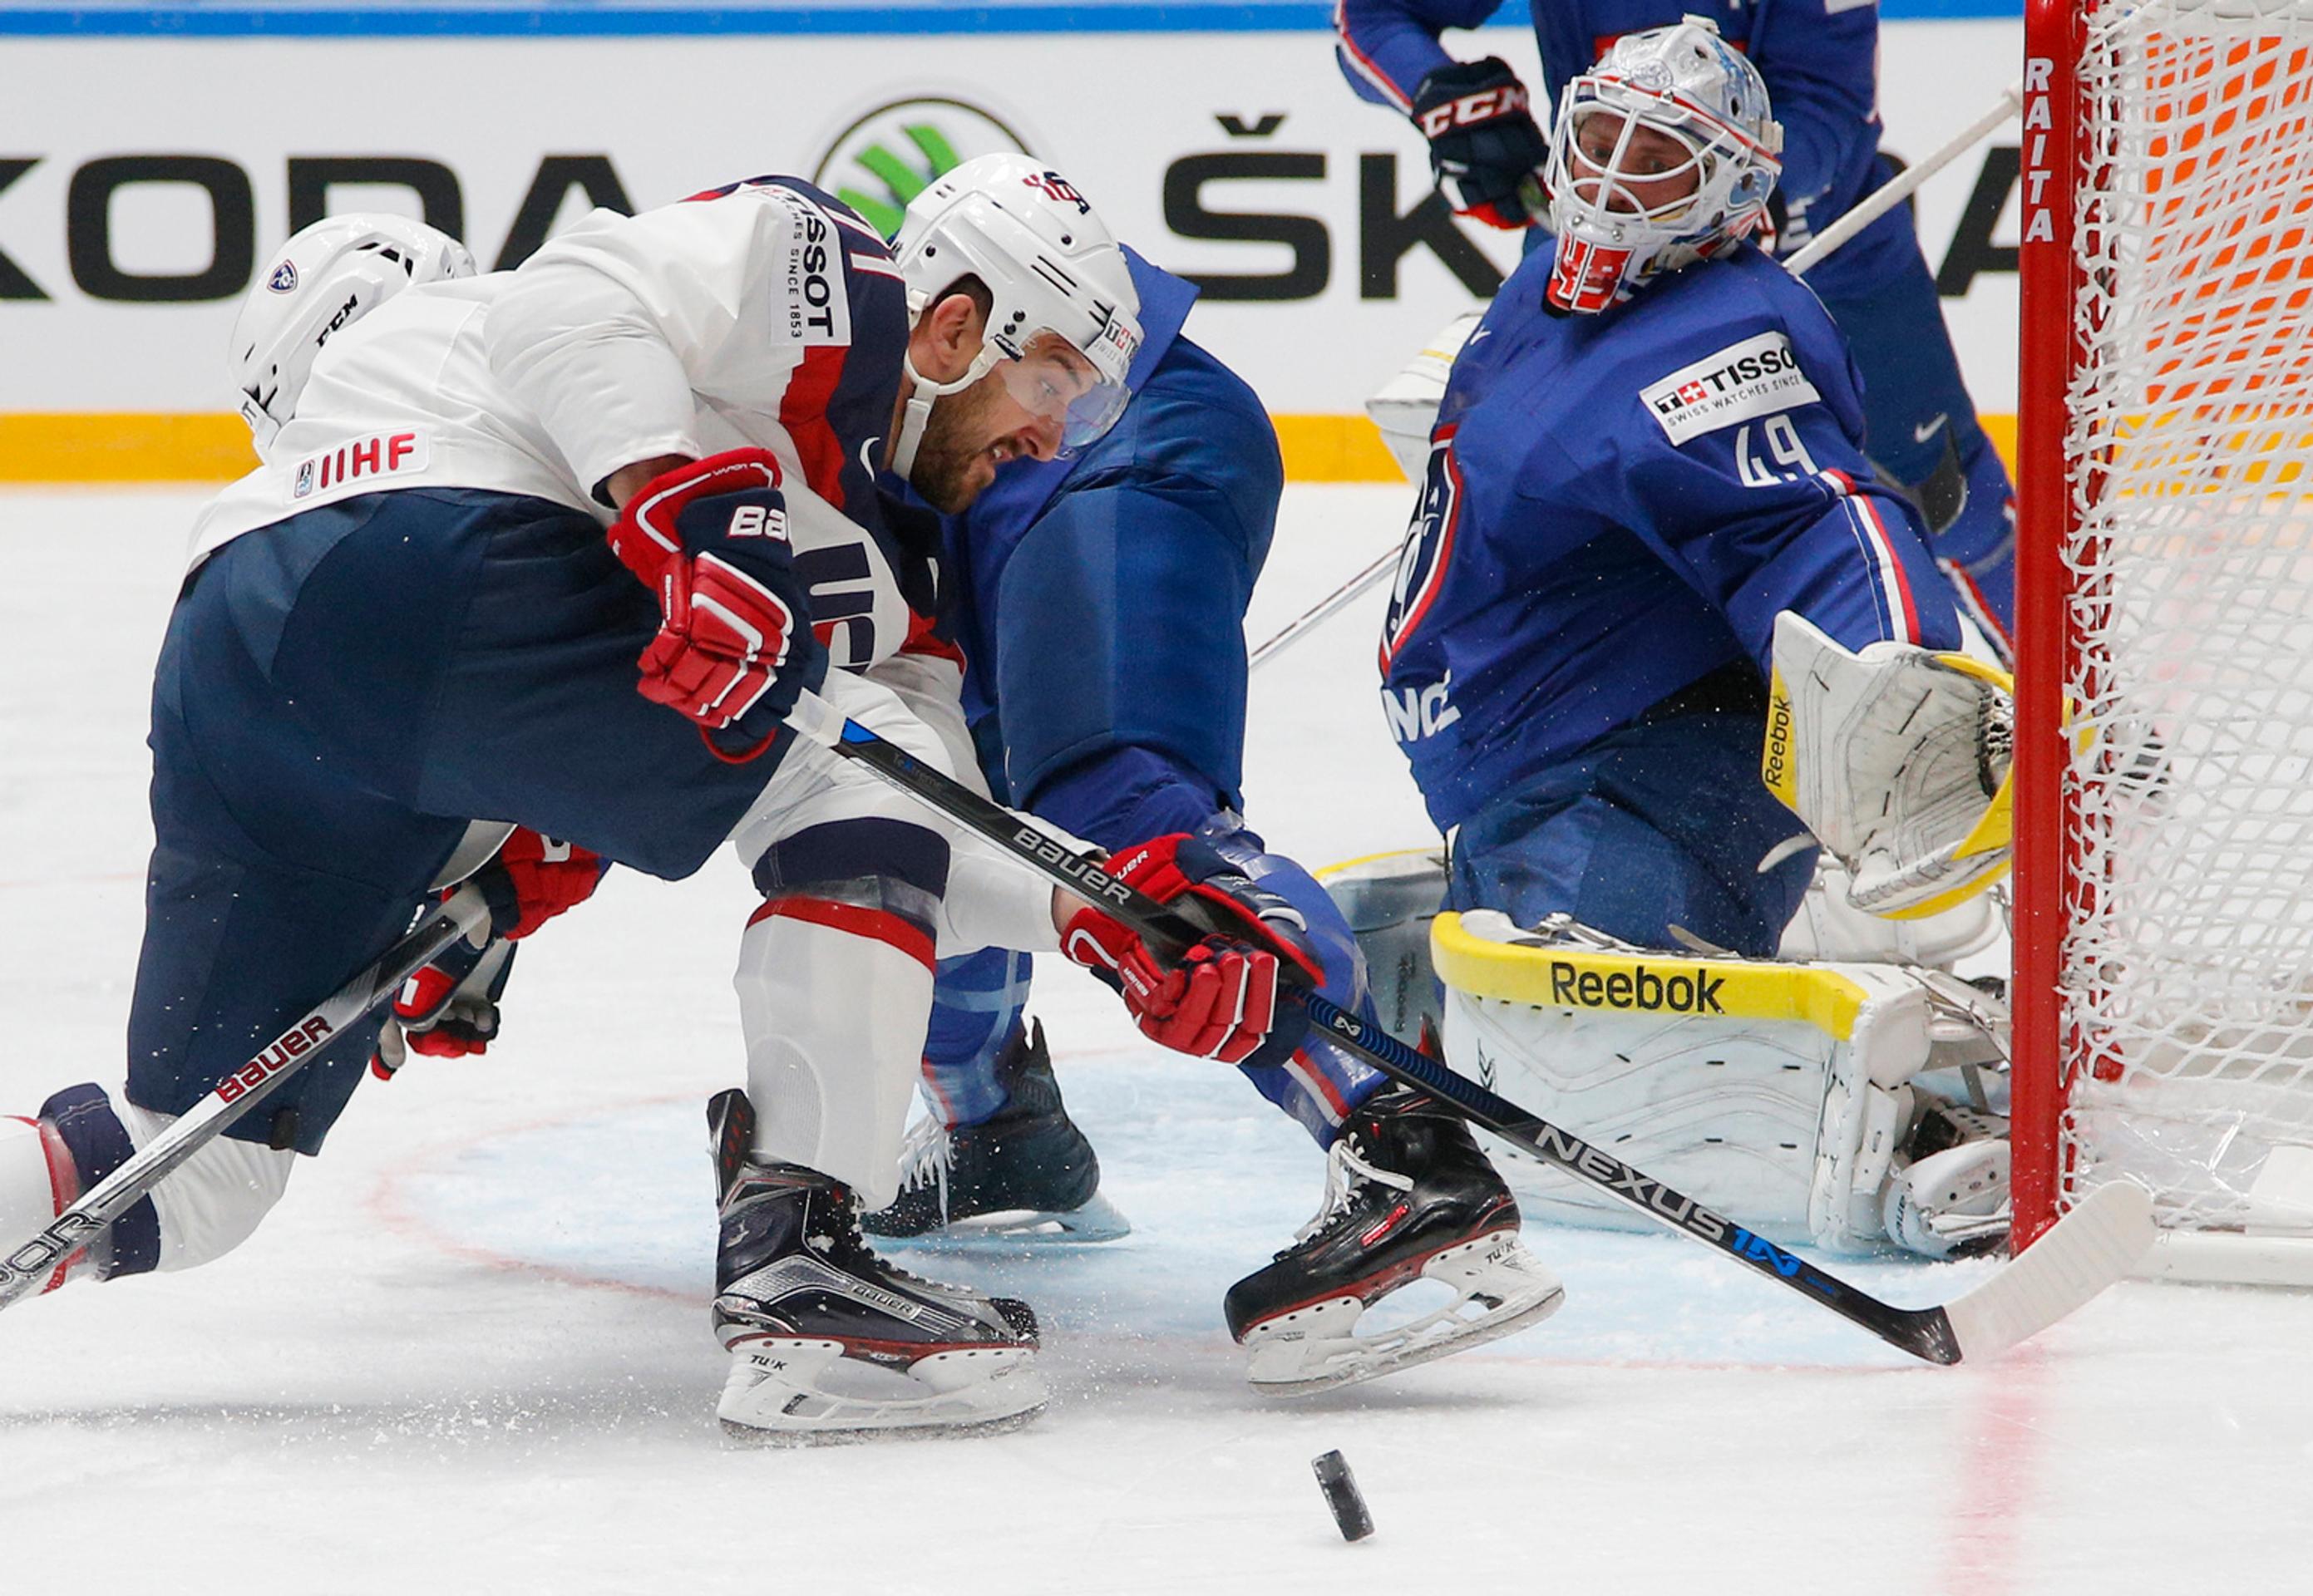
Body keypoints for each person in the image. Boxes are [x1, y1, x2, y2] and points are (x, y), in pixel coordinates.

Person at [0, 158, 1312, 1443]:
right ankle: (802, 1260)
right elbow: (560, 301)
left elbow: (929, 831)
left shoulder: (894, 589)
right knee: (841, 775)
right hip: (449, 544)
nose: (1049, 438)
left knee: (190, 1161)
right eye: (1053, 389)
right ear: (961, 325)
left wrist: (1117, 923)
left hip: (247, 649)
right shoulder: (829, 272)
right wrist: (679, 501)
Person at [861, 244, 1566, 1394]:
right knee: (940, 799)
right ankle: (993, 1131)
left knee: (1112, 804)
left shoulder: (795, 328)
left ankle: (1406, 1158)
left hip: (1111, 439)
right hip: (997, 476)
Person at [1378, 19, 2015, 1260]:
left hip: (1638, 776)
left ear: (1727, 192)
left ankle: (1940, 1116)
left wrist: (1896, 670)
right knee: (1492, 990)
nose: (1611, 184)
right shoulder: (1556, 272)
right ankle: (1848, 928)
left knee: (1589, 1054)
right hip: (1554, 762)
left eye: (1656, 161)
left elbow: (1824, 523)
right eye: (1594, 142)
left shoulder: (1714, 345)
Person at [1334, 0, 2016, 650]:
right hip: (1599, 253)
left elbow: (1825, 103)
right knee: (1563, 523)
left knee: (1949, 496)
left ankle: (2084, 731)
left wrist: (1716, 209)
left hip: (1833, 253)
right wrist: (1447, 98)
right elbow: (1375, 15)